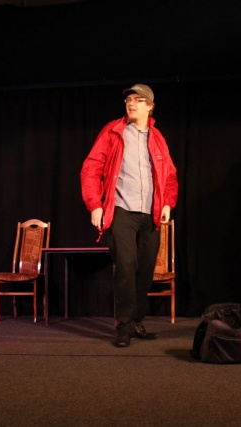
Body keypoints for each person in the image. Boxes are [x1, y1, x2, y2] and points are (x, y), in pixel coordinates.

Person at [80, 84, 178, 348]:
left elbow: (169, 173)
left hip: (150, 213)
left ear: (150, 106)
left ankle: (136, 322)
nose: (131, 103)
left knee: (145, 269)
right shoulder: (114, 131)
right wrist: (95, 205)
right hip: (122, 209)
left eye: (138, 100)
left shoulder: (157, 137)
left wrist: (167, 202)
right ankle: (123, 326)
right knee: (125, 266)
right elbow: (91, 168)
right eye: (129, 99)